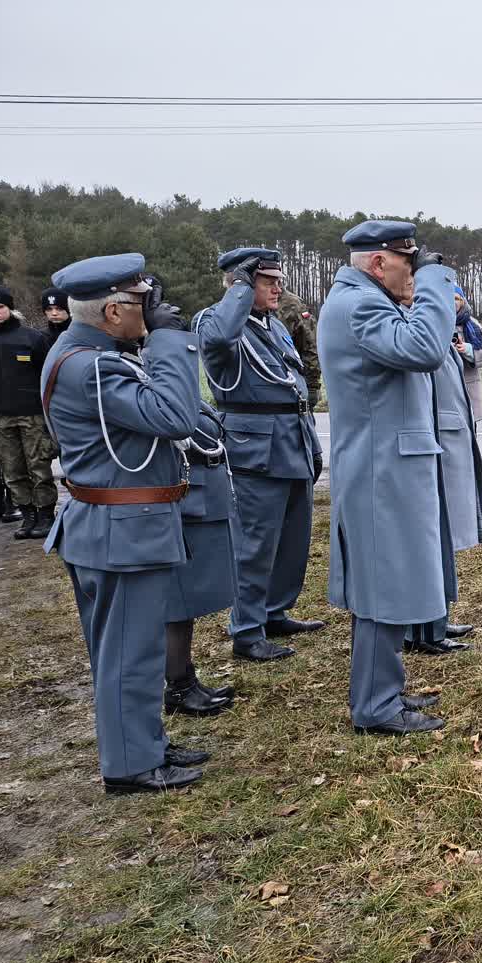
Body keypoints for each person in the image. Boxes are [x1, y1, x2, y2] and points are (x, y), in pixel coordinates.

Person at [40, 253, 208, 794]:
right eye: (142, 302)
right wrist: (170, 340)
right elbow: (175, 416)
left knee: (127, 650)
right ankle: (132, 764)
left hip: (113, 525)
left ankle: (144, 742)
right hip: (122, 530)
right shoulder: (92, 366)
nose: (152, 309)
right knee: (129, 654)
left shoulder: (87, 353)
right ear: (112, 312)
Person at [317, 219, 458, 734]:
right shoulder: (360, 305)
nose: (413, 273)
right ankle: (376, 705)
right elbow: (424, 349)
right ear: (379, 263)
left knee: (389, 581)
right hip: (381, 470)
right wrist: (438, 280)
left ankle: (382, 689)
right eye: (408, 263)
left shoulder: (361, 300)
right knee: (383, 585)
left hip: (384, 465)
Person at [194, 248, 324, 662]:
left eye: (279, 280)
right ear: (241, 285)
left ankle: (273, 612)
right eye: (267, 281)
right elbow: (219, 340)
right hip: (255, 450)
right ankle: (247, 631)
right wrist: (239, 288)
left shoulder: (272, 325)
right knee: (254, 545)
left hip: (291, 439)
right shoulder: (214, 322)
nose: (278, 288)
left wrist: (310, 442)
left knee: (292, 540)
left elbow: (293, 382)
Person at [402, 282, 482, 656]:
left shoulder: (444, 330)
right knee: (429, 539)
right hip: (435, 445)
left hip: (450, 440)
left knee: (441, 539)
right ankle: (422, 629)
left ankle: (435, 621)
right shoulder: (417, 332)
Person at [164, 395, 238, 717]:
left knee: (186, 601)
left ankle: (185, 679)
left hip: (194, 492)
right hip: (182, 498)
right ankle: (178, 686)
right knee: (178, 602)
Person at [0, 284, 57, 538]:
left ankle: (45, 515)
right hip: (0, 417)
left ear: (10, 308)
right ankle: (27, 514)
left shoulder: (32, 338)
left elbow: (49, 377)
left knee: (39, 467)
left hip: (32, 415)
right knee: (12, 470)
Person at [452, 285, 482, 424]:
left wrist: (468, 350)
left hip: (468, 385)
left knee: (469, 427)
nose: (453, 302)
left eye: (456, 298)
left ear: (462, 301)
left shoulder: (473, 325)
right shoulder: (436, 323)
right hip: (445, 386)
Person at [277, 289, 323, 406]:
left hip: (292, 381)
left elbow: (310, 344)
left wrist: (312, 385)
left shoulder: (293, 305)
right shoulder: (247, 302)